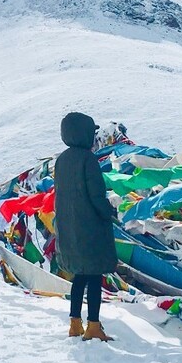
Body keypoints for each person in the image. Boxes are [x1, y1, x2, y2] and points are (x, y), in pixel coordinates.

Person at [53, 111, 118, 341]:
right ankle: (93, 326)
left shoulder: (61, 160)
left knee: (79, 277)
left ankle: (74, 324)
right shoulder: (88, 159)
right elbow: (96, 196)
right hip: (90, 229)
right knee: (94, 278)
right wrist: (109, 212)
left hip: (69, 228)